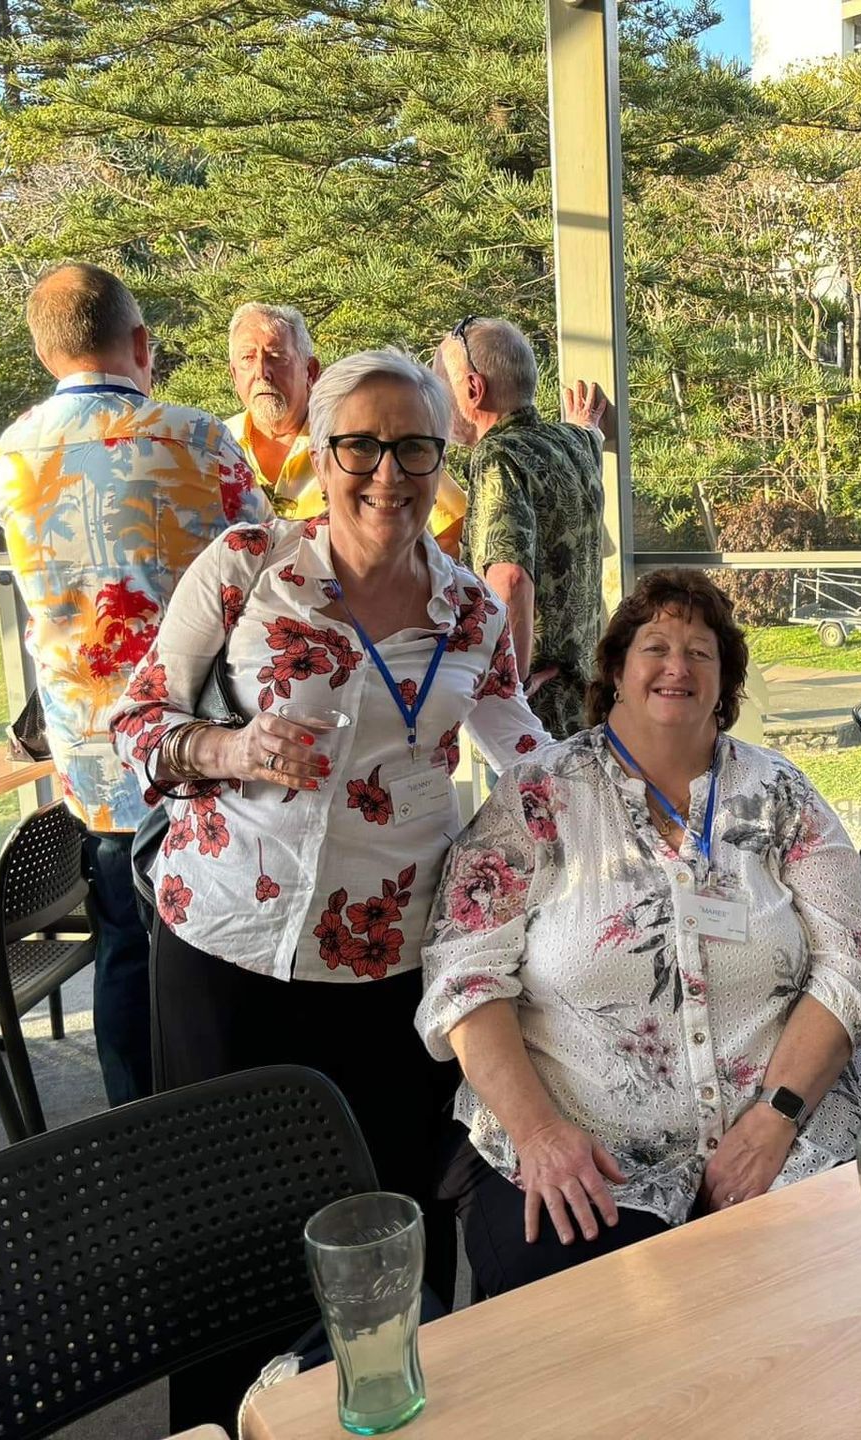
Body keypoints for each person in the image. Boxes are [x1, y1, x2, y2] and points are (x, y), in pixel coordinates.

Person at [107, 348, 548, 1366]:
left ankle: (393, 1405)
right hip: (224, 947)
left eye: (415, 449)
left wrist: (649, 779)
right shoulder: (246, 568)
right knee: (223, 1232)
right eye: (361, 446)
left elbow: (525, 751)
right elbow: (136, 720)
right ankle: (229, 1419)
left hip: (389, 963)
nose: (388, 473)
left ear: (442, 462)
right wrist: (229, 749)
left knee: (387, 1216)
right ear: (319, 451)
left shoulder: (470, 611)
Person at [416, 569, 861, 1299]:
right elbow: (464, 977)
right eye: (656, 647)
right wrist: (539, 1134)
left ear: (725, 681)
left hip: (790, 1136)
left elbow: (846, 967)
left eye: (700, 652)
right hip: (585, 1154)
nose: (677, 666)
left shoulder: (782, 794)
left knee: (834, 1308)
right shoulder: (538, 796)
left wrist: (777, 1117)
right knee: (596, 1331)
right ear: (616, 670)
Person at [0, 261, 269, 1108]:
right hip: (196, 741)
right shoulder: (197, 440)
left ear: (45, 351)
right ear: (143, 343)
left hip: (89, 751)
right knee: (208, 945)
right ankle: (220, 1115)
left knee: (121, 942)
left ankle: (133, 1124)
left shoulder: (15, 452)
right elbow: (266, 571)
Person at [441, 315, 608, 736]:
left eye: (442, 383)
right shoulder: (573, 443)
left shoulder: (497, 458)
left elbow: (510, 579)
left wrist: (507, 690)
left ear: (473, 389)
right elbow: (591, 434)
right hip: (586, 696)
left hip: (536, 707)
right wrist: (585, 422)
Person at [228, 302, 467, 547]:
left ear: (310, 371)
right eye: (248, 358)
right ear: (234, 375)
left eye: (277, 357)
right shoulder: (216, 445)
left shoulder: (355, 433)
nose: (262, 372)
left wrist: (421, 569)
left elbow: (451, 521)